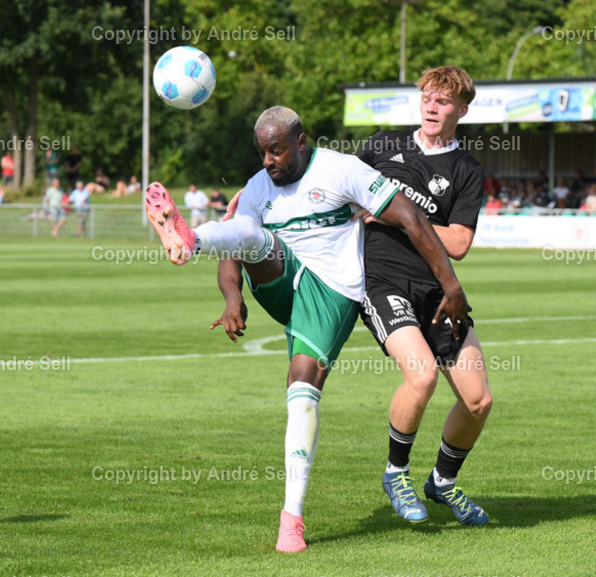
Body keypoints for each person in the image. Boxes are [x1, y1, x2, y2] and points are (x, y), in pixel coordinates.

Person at [145, 105, 469, 553]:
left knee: (300, 395)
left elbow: (411, 218)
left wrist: (450, 284)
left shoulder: (341, 169)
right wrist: (232, 296)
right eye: (262, 153)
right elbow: (235, 247)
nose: (268, 162)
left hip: (332, 290)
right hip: (283, 283)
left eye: (275, 151)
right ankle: (190, 239)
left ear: (300, 142)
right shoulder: (260, 186)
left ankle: (291, 520)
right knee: (248, 230)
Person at [354, 66, 491, 528]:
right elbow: (345, 200)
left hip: (438, 291)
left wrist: (398, 214)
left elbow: (458, 244)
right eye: (428, 98)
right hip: (383, 282)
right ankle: (396, 474)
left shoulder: (468, 171)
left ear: (462, 110)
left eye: (445, 101)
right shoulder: (381, 147)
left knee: (478, 402)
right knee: (422, 377)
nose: (433, 107)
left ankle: (443, 482)